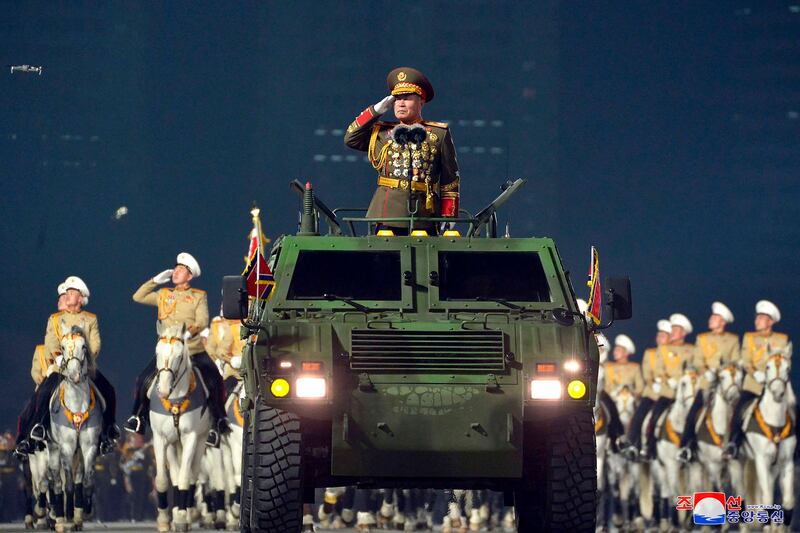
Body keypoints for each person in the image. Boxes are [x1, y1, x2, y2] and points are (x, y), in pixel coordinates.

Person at [124, 252, 229, 446]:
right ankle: (138, 418)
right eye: (176, 268)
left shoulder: (198, 296)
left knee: (215, 380)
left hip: (192, 349)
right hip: (167, 351)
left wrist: (189, 333)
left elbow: (202, 320)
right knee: (142, 380)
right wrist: (155, 280)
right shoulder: (164, 295)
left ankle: (218, 422)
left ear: (190, 276)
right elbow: (137, 297)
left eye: (182, 270)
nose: (176, 272)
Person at [344, 67, 460, 234]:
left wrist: (448, 216)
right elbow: (351, 138)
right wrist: (376, 110)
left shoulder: (438, 134)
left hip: (425, 213)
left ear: (421, 101)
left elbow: (450, 180)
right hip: (387, 213)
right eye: (396, 99)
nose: (401, 103)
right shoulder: (382, 133)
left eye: (407, 98)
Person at [27, 277, 118, 454]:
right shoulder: (55, 318)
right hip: (61, 367)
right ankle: (39, 427)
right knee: (44, 392)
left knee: (108, 390)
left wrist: (83, 359)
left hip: (85, 367)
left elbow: (95, 343)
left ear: (81, 297)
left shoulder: (90, 319)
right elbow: (51, 341)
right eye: (67, 292)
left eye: (72, 292)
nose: (68, 295)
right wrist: (60, 358)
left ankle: (108, 431)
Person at [725, 300, 791, 458]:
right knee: (739, 410)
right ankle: (734, 443)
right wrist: (755, 373)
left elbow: (785, 361)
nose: (756, 321)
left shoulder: (782, 339)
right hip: (753, 385)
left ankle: (794, 450)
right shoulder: (749, 338)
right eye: (757, 318)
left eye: (760, 318)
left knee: (793, 411)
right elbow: (746, 361)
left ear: (770, 322)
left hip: (776, 387)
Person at [678, 302, 739, 460]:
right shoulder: (702, 338)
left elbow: (736, 361)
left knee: (739, 413)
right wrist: (707, 372)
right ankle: (686, 447)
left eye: (715, 317)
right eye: (712, 316)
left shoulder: (732, 340)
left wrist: (724, 371)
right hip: (707, 384)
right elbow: (698, 361)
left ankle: (735, 444)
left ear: (723, 322)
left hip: (726, 385)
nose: (711, 319)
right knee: (692, 414)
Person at [640, 313, 695, 459]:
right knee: (654, 416)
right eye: (672, 329)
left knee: (695, 417)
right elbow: (658, 369)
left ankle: (692, 448)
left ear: (683, 333)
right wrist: (666, 380)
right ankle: (649, 447)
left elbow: (693, 368)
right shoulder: (663, 350)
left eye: (676, 330)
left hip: (684, 392)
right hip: (667, 392)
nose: (672, 332)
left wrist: (685, 378)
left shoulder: (691, 349)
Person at [621, 319, 671, 458]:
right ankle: (632, 444)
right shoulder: (650, 353)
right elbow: (647, 371)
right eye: (659, 334)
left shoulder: (673, 354)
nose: (659, 337)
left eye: (663, 335)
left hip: (668, 393)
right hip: (652, 392)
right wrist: (653, 382)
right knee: (638, 416)